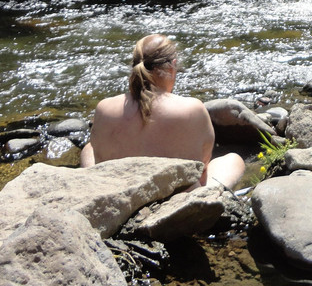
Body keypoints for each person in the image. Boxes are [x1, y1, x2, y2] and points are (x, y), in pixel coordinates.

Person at [79, 34, 246, 189]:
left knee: (88, 149)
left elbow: (100, 161)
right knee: (233, 160)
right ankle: (208, 197)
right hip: (177, 200)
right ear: (172, 66)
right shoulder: (192, 108)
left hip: (119, 195)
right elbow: (202, 168)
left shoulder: (104, 107)